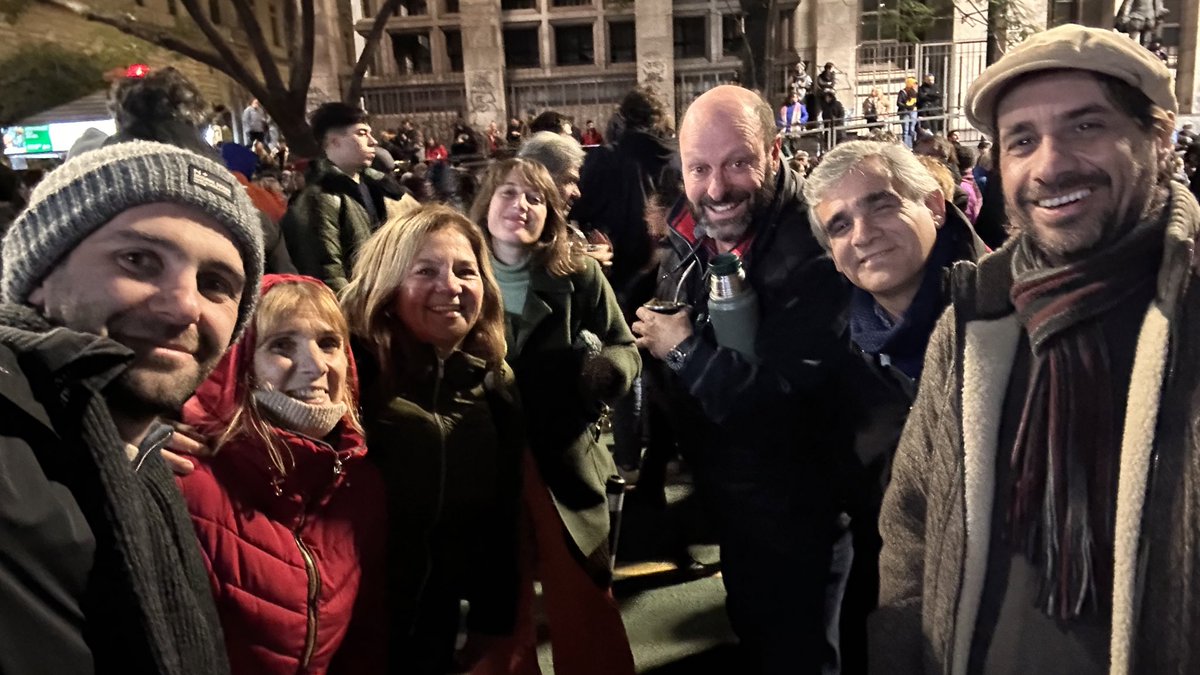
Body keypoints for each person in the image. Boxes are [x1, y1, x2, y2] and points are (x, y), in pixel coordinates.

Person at [873, 23, 1200, 673]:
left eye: (1086, 126)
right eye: (1023, 139)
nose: (1050, 164)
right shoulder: (973, 325)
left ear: (1158, 140)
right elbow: (910, 520)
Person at [0, 140, 264, 674]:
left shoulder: (141, 458)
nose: (185, 304)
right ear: (42, 274)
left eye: (215, 284)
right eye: (139, 260)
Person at [630, 84, 852, 674]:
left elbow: (786, 410)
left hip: (796, 511)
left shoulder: (817, 249)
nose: (716, 186)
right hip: (734, 499)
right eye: (699, 167)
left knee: (799, 653)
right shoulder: (693, 232)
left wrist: (680, 350)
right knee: (756, 636)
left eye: (737, 162)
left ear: (774, 154)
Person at [802, 141, 988, 675]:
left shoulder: (1011, 310)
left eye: (881, 204)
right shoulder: (839, 351)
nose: (862, 234)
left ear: (933, 204)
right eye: (839, 225)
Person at [470, 157, 640, 675]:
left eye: (535, 198)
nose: (520, 206)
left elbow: (623, 344)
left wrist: (606, 371)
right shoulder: (459, 271)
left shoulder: (578, 274)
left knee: (583, 595)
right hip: (482, 461)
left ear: (552, 214)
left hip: (562, 455)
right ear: (485, 202)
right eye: (508, 193)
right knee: (500, 603)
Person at [340, 206, 523, 674]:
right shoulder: (344, 371)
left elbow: (502, 518)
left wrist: (494, 624)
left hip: (438, 628)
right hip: (351, 626)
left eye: (467, 271)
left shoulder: (494, 380)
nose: (452, 286)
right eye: (426, 270)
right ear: (387, 284)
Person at [176, 274, 386, 674]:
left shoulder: (360, 485)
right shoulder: (187, 475)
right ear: (240, 363)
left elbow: (366, 637)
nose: (316, 366)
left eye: (328, 343)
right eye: (281, 345)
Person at [281, 102, 410, 292]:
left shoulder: (377, 187)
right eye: (361, 133)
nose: (373, 141)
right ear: (334, 141)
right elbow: (327, 274)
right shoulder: (320, 198)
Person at [897, 76, 920, 148]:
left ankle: (913, 145)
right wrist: (906, 107)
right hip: (905, 113)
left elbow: (917, 101)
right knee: (906, 130)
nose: (915, 85)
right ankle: (906, 146)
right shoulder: (902, 92)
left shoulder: (915, 92)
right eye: (914, 83)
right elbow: (899, 102)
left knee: (912, 129)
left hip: (913, 112)